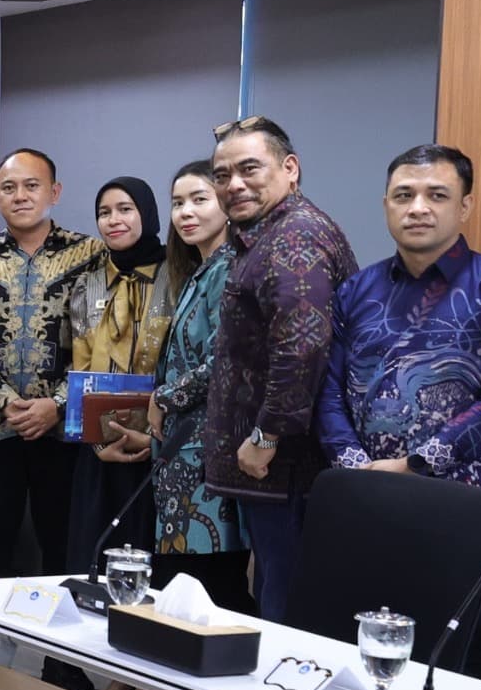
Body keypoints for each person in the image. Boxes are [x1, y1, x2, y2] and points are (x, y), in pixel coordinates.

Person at [319, 144, 481, 672]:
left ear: (464, 207)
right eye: (404, 195)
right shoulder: (356, 290)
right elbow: (327, 390)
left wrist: (412, 466)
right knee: (348, 641)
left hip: (454, 507)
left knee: (450, 656)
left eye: (436, 195)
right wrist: (358, 469)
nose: (418, 207)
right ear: (385, 206)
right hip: (360, 497)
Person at [0, 150, 102, 639]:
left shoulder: (90, 256)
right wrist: (6, 400)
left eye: (31, 186)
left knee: (63, 548)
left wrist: (55, 404)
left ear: (53, 193)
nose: (20, 196)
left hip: (65, 432)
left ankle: (62, 658)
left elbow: (99, 339)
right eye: (9, 187)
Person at [203, 116, 358, 623]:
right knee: (272, 592)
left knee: (287, 612)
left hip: (286, 463)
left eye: (250, 169)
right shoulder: (266, 235)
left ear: (290, 169)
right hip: (273, 468)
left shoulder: (294, 237)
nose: (235, 185)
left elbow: (302, 345)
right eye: (222, 175)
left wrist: (267, 433)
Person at [147, 162, 252, 619]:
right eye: (177, 203)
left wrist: (163, 398)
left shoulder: (231, 267)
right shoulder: (200, 268)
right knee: (177, 578)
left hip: (211, 450)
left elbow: (227, 362)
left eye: (199, 199)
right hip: (182, 450)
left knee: (210, 585)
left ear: (227, 205)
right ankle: (155, 679)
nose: (185, 212)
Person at [66, 176, 175, 568]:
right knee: (92, 556)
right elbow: (79, 367)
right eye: (104, 212)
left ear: (147, 213)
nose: (114, 220)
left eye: (125, 210)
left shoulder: (178, 275)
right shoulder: (88, 284)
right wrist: (97, 440)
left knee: (148, 561)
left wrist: (153, 438)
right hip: (99, 447)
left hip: (160, 444)